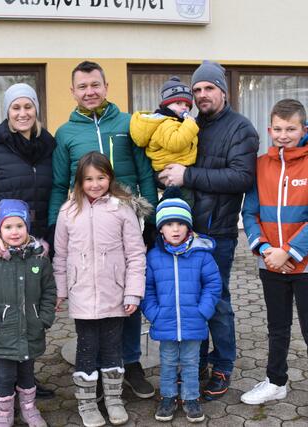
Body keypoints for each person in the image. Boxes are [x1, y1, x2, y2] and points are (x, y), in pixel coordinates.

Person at [48, 61, 158, 399]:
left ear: (106, 86)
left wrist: (151, 221)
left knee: (127, 295)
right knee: (94, 296)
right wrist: (55, 225)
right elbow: (59, 183)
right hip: (87, 225)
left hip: (128, 222)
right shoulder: (65, 133)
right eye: (82, 87)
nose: (90, 92)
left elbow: (145, 173)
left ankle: (131, 363)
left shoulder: (128, 124)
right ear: (73, 91)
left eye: (95, 85)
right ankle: (95, 367)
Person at [158, 60, 259, 400]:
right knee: (189, 300)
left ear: (223, 91)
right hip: (185, 231)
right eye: (197, 89)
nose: (202, 94)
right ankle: (197, 362)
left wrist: (187, 175)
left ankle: (223, 364)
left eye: (209, 88)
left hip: (217, 234)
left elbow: (241, 178)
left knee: (216, 302)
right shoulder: (189, 124)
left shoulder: (241, 129)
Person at [240, 99, 308, 425]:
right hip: (271, 262)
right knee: (277, 327)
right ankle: (276, 381)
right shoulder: (260, 165)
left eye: (291, 129)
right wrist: (267, 250)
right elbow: (249, 212)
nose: (284, 135)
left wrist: (289, 252)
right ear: (270, 129)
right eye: (278, 129)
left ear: (303, 129)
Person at [0, 83, 57, 400]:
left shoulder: (49, 145)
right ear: (7, 111)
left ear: (36, 109)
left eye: (28, 106)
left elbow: (53, 193)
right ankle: (2, 391)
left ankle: (26, 383)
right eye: (15, 107)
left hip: (35, 246)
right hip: (2, 246)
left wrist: (48, 238)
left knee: (28, 311)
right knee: (5, 315)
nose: (22, 113)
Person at [53, 152, 148, 427]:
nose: (95, 184)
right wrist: (61, 290)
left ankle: (114, 399)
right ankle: (86, 403)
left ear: (110, 178)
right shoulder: (68, 211)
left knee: (112, 347)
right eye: (88, 179)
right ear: (79, 181)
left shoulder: (122, 209)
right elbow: (60, 255)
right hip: (82, 294)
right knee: (86, 347)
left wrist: (133, 292)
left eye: (101, 178)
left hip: (115, 294)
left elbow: (135, 254)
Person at [141, 187, 221, 424]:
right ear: (161, 229)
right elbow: (147, 289)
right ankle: (168, 397)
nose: (175, 229)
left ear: (189, 227)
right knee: (167, 362)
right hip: (165, 321)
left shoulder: (201, 254)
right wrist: (154, 313)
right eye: (169, 224)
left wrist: (203, 311)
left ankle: (191, 397)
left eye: (180, 224)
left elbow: (213, 285)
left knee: (190, 362)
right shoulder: (154, 257)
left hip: (193, 321)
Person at [0, 199, 56, 427]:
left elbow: (49, 290)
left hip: (31, 329)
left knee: (28, 374)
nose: (14, 232)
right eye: (8, 227)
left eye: (19, 226)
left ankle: (29, 409)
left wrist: (44, 318)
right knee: (4, 376)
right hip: (2, 331)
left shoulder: (39, 258)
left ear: (27, 226)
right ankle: (3, 412)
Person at [130, 76, 198, 206]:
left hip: (175, 167)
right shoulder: (165, 123)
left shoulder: (176, 122)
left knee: (178, 198)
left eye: (187, 105)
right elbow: (175, 143)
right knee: (186, 200)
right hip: (168, 169)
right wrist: (190, 125)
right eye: (178, 103)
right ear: (166, 105)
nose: (184, 107)